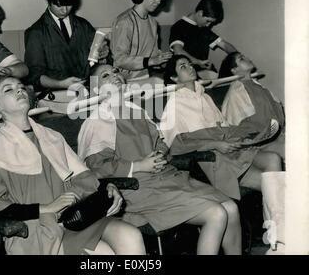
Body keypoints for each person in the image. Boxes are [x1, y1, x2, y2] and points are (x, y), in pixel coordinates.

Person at [78, 64, 242, 255]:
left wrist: (160, 154)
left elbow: (161, 143)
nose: (115, 75)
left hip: (167, 180)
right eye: (105, 75)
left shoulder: (136, 110)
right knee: (217, 214)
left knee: (231, 208)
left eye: (115, 71)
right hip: (136, 190)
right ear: (96, 89)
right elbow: (97, 169)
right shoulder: (98, 121)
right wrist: (139, 165)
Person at [0, 75, 145, 255]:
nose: (19, 90)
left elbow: (85, 179)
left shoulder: (52, 137)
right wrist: (46, 208)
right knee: (104, 254)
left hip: (74, 219)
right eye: (8, 89)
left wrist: (106, 189)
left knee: (130, 236)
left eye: (21, 86)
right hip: (36, 231)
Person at [159, 55, 283, 200]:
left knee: (273, 159)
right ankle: (276, 220)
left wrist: (246, 137)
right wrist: (214, 144)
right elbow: (174, 145)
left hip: (231, 150)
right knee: (274, 185)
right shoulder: (174, 104)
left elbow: (224, 127)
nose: (190, 67)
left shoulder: (205, 97)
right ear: (174, 78)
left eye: (190, 64)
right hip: (215, 159)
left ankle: (275, 219)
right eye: (183, 66)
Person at [24, 0, 109, 93]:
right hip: (54, 96)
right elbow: (34, 76)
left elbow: (96, 62)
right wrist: (60, 84)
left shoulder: (83, 26)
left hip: (87, 92)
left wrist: (103, 54)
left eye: (69, 4)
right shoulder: (36, 33)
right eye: (59, 5)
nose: (64, 10)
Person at [110, 0, 172, 83]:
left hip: (145, 79)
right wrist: (152, 61)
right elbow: (119, 59)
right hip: (122, 81)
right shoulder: (124, 21)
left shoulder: (153, 23)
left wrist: (164, 60)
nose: (159, 1)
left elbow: (153, 55)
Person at [219, 52, 285, 159]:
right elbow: (237, 125)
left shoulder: (258, 86)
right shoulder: (236, 91)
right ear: (234, 70)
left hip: (275, 135)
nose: (248, 58)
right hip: (258, 142)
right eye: (241, 59)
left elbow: (276, 110)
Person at [169, 0, 237, 80]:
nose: (208, 25)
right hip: (184, 74)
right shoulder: (179, 26)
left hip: (201, 71)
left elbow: (225, 45)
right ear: (200, 13)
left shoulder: (203, 29)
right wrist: (197, 62)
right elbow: (178, 51)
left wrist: (237, 59)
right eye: (208, 21)